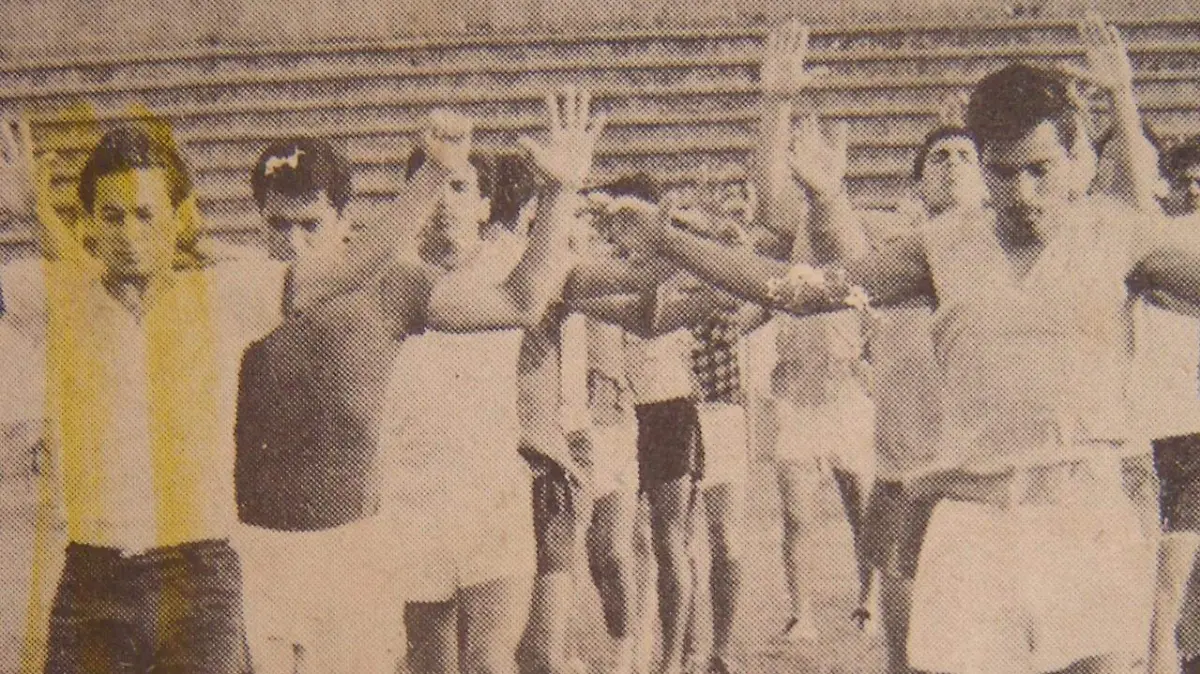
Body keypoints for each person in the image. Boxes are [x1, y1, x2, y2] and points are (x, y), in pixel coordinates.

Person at [618, 47, 1200, 672]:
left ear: (1074, 156)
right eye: (1004, 173)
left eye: (1040, 170)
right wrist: (665, 238)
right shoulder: (941, 246)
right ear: (984, 163)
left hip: (1086, 517)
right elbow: (795, 290)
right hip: (973, 524)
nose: (1023, 193)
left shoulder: (1120, 235)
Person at [2, 123, 287, 674]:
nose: (130, 232)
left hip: (196, 570)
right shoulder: (54, 292)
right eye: (112, 217)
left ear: (179, 218)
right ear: (88, 224)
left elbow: (338, 275)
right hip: (94, 573)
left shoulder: (225, 294)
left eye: (146, 215)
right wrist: (18, 213)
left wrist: (435, 173)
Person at [376, 90, 603, 674]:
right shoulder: (392, 280)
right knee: (428, 665)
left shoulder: (506, 268)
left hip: (491, 490)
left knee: (490, 662)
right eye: (436, 187)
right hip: (412, 495)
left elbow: (532, 293)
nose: (446, 204)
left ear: (483, 204)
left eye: (461, 189)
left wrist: (560, 192)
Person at [232, 137, 411, 674]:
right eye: (278, 225)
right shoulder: (238, 292)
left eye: (310, 225)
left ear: (344, 218)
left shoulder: (390, 286)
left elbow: (513, 302)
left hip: (351, 547)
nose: (293, 242)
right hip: (257, 548)